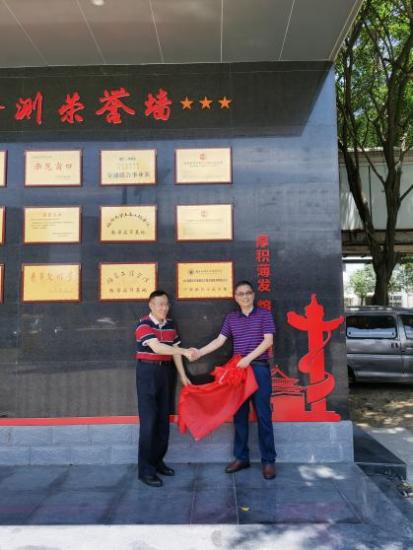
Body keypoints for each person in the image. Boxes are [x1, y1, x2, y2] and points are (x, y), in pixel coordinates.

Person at [191, 281, 277, 479]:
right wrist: (199, 352)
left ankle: (268, 461)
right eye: (240, 294)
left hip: (259, 369)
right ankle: (241, 457)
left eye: (248, 293)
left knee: (263, 415)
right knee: (239, 416)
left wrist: (248, 359)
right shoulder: (231, 318)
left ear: (253, 295)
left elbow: (268, 341)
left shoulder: (264, 315)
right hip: (238, 372)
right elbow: (219, 341)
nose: (245, 296)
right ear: (236, 298)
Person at [135, 289, 192, 487]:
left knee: (162, 421)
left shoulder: (170, 325)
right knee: (149, 423)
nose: (164, 308)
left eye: (166, 304)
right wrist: (185, 351)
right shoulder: (143, 324)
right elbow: (158, 348)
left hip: (166, 374)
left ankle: (158, 462)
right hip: (147, 373)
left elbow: (174, 351)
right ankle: (145, 471)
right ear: (151, 305)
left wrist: (183, 375)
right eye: (159, 304)